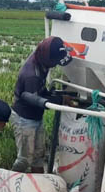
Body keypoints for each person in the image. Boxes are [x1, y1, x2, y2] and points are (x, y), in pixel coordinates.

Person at [10, 36, 72, 173]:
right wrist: (60, 100)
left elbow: (41, 92)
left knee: (39, 155)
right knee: (25, 159)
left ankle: (40, 185)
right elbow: (36, 100)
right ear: (47, 58)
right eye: (53, 61)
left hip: (35, 116)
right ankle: (9, 184)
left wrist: (57, 96)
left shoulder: (41, 57)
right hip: (24, 118)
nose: (55, 65)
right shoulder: (32, 75)